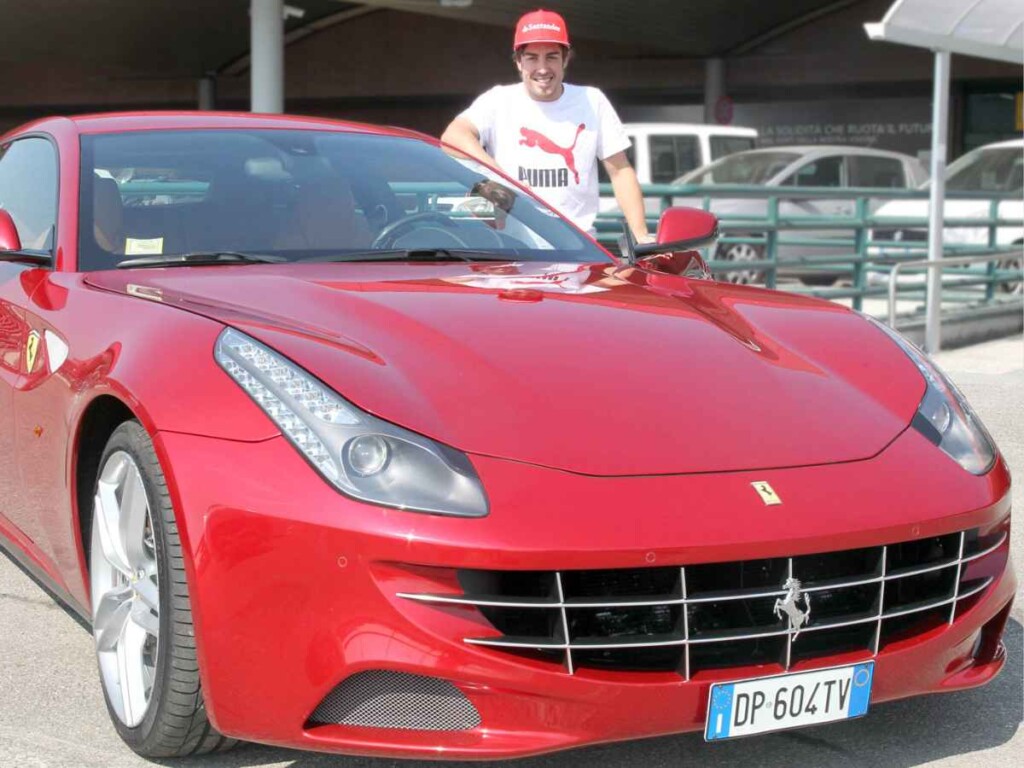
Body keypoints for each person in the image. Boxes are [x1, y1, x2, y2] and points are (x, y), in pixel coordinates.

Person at [441, 9, 653, 244]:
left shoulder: (592, 101)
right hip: (512, 248)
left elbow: (620, 170)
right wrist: (500, 177)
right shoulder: (498, 100)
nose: (542, 68)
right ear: (519, 62)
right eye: (532, 57)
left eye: (551, 56)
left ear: (565, 59)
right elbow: (453, 137)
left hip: (577, 248)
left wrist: (642, 236)